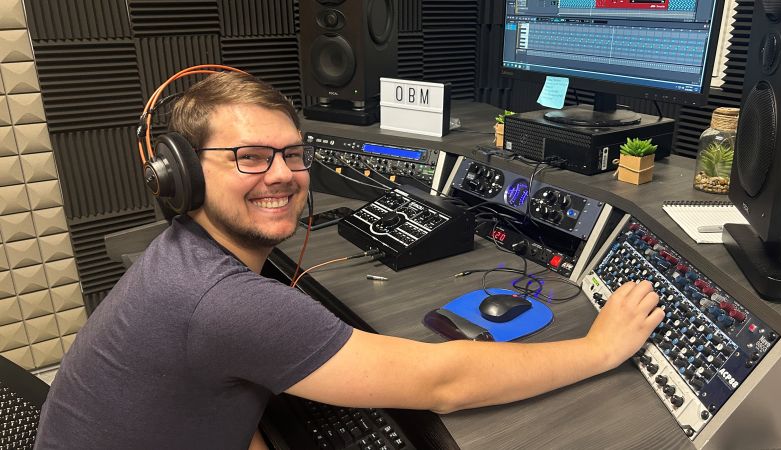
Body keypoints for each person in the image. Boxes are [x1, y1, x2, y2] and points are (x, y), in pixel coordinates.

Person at [35, 72, 663, 450]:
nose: (281, 175)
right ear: (181, 176)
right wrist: (599, 348)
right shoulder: (223, 302)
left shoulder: (179, 259)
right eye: (249, 157)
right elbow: (444, 384)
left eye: (293, 153)